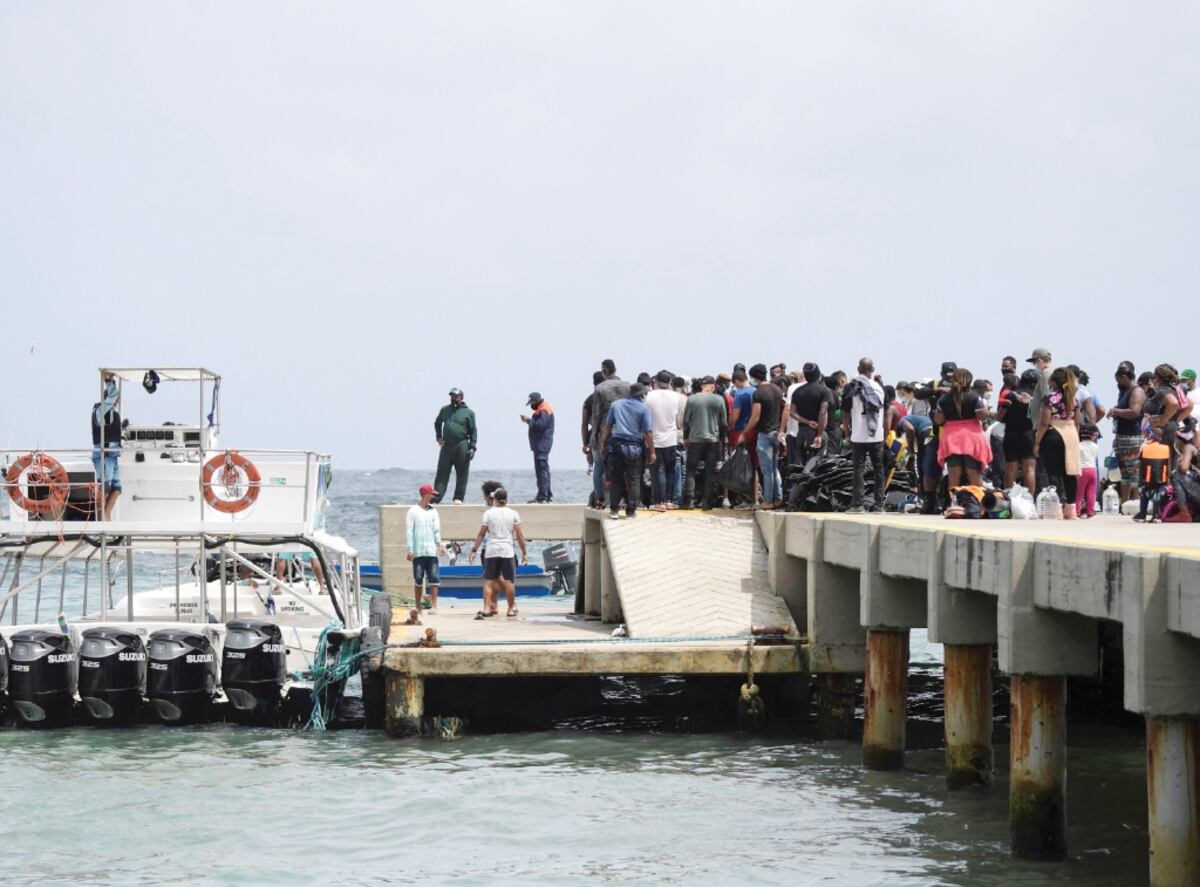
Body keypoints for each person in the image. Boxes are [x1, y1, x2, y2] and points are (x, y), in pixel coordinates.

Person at [468, 487, 527, 618]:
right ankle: (511, 609)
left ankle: (486, 608)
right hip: (507, 550)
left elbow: (481, 534)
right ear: (506, 499)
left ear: (495, 500)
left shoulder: (488, 513)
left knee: (489, 581)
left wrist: (474, 550)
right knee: (509, 581)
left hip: (491, 550)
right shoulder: (513, 513)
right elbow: (520, 535)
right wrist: (524, 552)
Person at [601, 382, 655, 519]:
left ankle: (614, 510)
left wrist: (603, 444)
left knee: (616, 479)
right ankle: (631, 511)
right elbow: (647, 432)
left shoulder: (616, 405)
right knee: (634, 480)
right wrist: (652, 451)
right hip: (635, 448)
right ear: (642, 395)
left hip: (616, 446)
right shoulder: (644, 409)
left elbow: (608, 426)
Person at [1034, 367, 1082, 519]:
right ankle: (1071, 509)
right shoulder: (1074, 399)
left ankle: (1057, 509)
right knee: (1070, 473)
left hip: (1053, 433)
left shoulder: (1050, 398)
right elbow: (1077, 422)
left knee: (1054, 473)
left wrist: (1037, 442)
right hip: (1071, 433)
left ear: (1053, 382)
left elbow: (1044, 422)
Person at [935, 368, 992, 489]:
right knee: (974, 476)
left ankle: (954, 505)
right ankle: (977, 505)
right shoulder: (974, 397)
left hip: (952, 439)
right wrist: (987, 412)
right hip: (972, 439)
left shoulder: (944, 399)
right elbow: (981, 416)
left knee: (953, 477)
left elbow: (939, 420)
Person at [842, 358, 886, 513]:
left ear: (858, 368)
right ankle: (879, 504)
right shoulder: (880, 388)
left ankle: (857, 504)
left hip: (859, 435)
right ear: (872, 369)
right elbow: (884, 413)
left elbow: (845, 414)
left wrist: (847, 433)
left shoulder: (851, 387)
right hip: (877, 435)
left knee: (858, 469)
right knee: (879, 469)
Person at [682, 376, 727, 510]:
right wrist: (721, 438)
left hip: (695, 439)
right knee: (710, 472)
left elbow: (686, 421)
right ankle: (707, 502)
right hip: (712, 440)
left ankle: (689, 501)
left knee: (691, 471)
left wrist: (686, 437)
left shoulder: (692, 399)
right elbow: (723, 422)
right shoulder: (719, 399)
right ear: (713, 386)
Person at [590, 359, 631, 508]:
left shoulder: (600, 388)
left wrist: (594, 435)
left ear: (605, 371)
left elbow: (596, 414)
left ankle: (600, 499)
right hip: (625, 431)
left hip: (604, 431)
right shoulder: (627, 386)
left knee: (601, 467)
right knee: (624, 466)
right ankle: (624, 499)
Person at [745, 363, 784, 509]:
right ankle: (778, 498)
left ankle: (768, 500)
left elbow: (755, 417)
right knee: (775, 468)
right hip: (776, 433)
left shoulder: (759, 392)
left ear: (754, 377)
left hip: (765, 434)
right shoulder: (777, 389)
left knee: (767, 470)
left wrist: (745, 432)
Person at [645, 371, 683, 512]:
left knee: (658, 471)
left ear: (655, 381)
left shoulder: (649, 395)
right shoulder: (676, 396)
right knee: (670, 471)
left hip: (655, 439)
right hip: (671, 438)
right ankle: (669, 501)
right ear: (669, 382)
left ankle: (659, 501)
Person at [1109, 361, 1146, 503]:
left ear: (1125, 376)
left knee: (1134, 472)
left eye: (1119, 380)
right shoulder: (1124, 392)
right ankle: (1124, 503)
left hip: (1132, 438)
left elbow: (1134, 412)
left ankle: (1137, 502)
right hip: (1121, 437)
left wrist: (1115, 411)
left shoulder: (1136, 391)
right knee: (1124, 473)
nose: (1118, 383)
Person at [433, 388, 477, 504]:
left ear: (461, 397)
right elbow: (437, 423)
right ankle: (436, 497)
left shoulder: (469, 413)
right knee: (442, 471)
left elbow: (473, 430)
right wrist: (438, 436)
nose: (454, 398)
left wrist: (472, 447)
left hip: (462, 444)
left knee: (462, 473)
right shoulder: (445, 410)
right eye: (452, 396)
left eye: (456, 396)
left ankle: (458, 498)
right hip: (446, 445)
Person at [998, 369, 1038, 493]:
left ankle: (1009, 499)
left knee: (1010, 469)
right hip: (1029, 435)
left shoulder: (1012, 394)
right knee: (1029, 469)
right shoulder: (1036, 398)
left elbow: (1000, 417)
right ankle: (1029, 501)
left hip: (1011, 434)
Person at [406, 483, 444, 610]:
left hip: (431, 551)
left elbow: (436, 529)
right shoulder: (412, 511)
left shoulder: (434, 511)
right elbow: (409, 531)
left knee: (434, 578)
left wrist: (439, 544)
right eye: (431, 494)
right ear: (425, 494)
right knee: (418, 579)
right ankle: (418, 606)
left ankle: (434, 605)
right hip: (418, 551)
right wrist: (410, 550)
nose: (433, 496)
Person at [91, 372, 123, 519]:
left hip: (113, 455)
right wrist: (108, 380)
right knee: (104, 486)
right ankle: (100, 520)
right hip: (104, 454)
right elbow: (114, 394)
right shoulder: (100, 411)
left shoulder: (112, 414)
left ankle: (106, 515)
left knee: (116, 487)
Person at [789, 363, 831, 468]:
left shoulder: (797, 392)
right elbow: (822, 413)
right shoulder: (824, 391)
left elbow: (792, 413)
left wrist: (807, 422)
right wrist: (819, 435)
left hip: (801, 433)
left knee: (801, 466)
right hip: (815, 431)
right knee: (816, 465)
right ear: (818, 375)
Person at [521, 392, 554, 503]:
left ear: (537, 400)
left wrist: (528, 420)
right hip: (540, 445)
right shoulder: (542, 409)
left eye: (532, 402)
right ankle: (547, 495)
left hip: (542, 445)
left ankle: (543, 496)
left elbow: (540, 425)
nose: (531, 405)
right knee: (543, 470)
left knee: (541, 471)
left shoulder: (544, 410)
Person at [581, 371, 604, 507]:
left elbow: (584, 424)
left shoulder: (589, 400)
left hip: (595, 437)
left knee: (598, 466)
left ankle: (599, 498)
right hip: (612, 435)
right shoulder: (613, 395)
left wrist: (584, 443)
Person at [1076, 424, 1101, 518]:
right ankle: (1090, 512)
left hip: (1082, 469)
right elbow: (1095, 456)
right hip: (1093, 470)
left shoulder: (1079, 446)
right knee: (1091, 492)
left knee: (1079, 492)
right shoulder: (1095, 446)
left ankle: (1077, 512)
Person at [1026, 347, 1054, 425]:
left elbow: (1048, 400)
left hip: (1043, 424)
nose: (1035, 365)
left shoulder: (1046, 374)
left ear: (1039, 361)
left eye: (1034, 363)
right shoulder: (1054, 371)